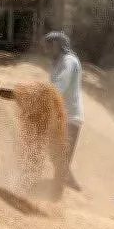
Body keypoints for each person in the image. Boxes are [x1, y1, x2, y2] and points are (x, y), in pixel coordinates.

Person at [43, 31, 83, 190]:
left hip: (70, 118)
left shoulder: (69, 61)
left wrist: (41, 95)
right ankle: (71, 187)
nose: (47, 50)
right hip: (60, 117)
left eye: (49, 46)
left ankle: (61, 192)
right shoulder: (57, 63)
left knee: (61, 158)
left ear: (58, 45)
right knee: (56, 155)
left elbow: (60, 85)